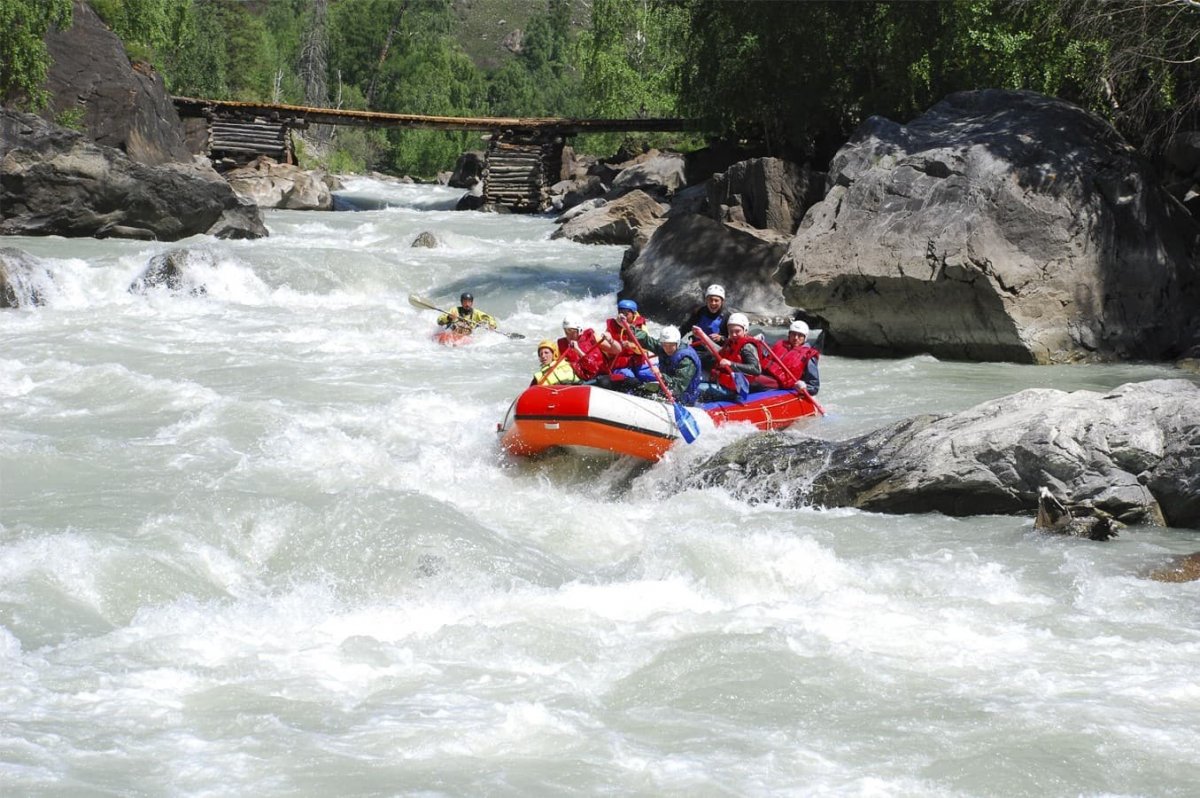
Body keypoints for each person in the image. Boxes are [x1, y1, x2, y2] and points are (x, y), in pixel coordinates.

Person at [613, 325, 702, 405]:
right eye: (664, 345)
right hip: (665, 387)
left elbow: (677, 388)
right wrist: (630, 329)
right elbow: (647, 340)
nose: (667, 349)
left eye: (671, 345)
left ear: (677, 343)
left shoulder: (686, 360)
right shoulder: (663, 347)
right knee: (634, 386)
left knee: (643, 395)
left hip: (684, 396)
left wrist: (660, 375)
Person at [681, 284, 730, 370]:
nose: (713, 303)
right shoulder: (699, 312)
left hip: (714, 353)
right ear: (706, 300)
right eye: (710, 300)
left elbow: (732, 341)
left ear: (722, 301)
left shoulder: (727, 317)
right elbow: (685, 328)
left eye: (716, 300)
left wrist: (721, 338)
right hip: (696, 348)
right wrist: (673, 341)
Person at [769, 320, 821, 395]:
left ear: (804, 338)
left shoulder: (808, 355)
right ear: (789, 335)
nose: (796, 338)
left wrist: (805, 387)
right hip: (770, 379)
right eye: (793, 334)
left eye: (800, 335)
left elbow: (814, 387)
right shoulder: (780, 345)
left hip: (786, 385)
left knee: (756, 382)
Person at [598, 298, 648, 374]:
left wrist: (631, 346)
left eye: (626, 313)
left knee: (647, 374)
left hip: (637, 362)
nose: (622, 315)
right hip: (619, 364)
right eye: (620, 312)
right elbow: (607, 350)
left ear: (633, 314)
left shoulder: (641, 326)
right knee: (629, 376)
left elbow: (644, 350)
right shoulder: (612, 324)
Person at [556, 316, 607, 381]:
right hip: (576, 381)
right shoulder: (562, 344)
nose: (569, 335)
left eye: (572, 332)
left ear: (579, 331)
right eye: (566, 332)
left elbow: (594, 369)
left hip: (597, 378)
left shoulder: (590, 338)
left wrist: (578, 350)